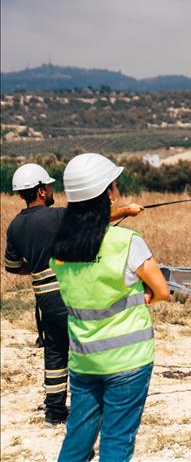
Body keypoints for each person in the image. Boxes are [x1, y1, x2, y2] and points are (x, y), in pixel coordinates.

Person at [50, 153, 170, 462]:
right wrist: (147, 298)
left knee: (77, 439)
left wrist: (124, 211)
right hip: (129, 360)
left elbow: (87, 229)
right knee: (117, 442)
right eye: (114, 186)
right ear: (108, 193)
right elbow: (162, 291)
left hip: (84, 361)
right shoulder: (127, 242)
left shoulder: (60, 249)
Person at [3, 163, 143, 425]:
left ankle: (54, 410)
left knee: (55, 351)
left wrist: (36, 267)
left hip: (44, 298)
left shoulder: (14, 227)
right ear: (42, 191)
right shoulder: (55, 216)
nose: (52, 189)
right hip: (69, 292)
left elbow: (12, 266)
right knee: (89, 345)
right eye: (50, 186)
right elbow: (90, 220)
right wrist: (126, 211)